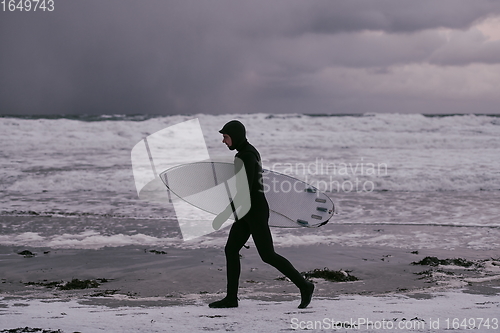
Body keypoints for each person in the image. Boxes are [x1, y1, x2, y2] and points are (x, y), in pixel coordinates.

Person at [208, 120, 314, 309]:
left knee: (268, 255)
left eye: (225, 137)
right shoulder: (247, 152)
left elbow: (244, 190)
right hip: (246, 211)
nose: (224, 141)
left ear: (235, 136)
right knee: (231, 250)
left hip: (255, 212)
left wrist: (224, 214)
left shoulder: (246, 156)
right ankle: (231, 298)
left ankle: (305, 286)